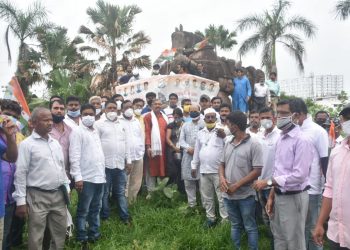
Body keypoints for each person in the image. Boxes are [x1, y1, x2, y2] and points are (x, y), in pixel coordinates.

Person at [260, 99, 314, 250]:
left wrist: (268, 183)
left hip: (294, 197)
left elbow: (300, 175)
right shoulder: (281, 138)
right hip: (279, 196)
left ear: (295, 116)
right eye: (278, 113)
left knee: (294, 241)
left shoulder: (302, 140)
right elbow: (278, 171)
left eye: (284, 113)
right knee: (279, 238)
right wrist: (271, 196)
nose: (279, 117)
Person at [13, 107, 68, 250]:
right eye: (45, 120)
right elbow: (20, 173)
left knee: (59, 233)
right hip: (37, 196)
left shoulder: (54, 143)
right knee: (36, 235)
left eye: (50, 119)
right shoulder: (27, 144)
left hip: (58, 195)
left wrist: (66, 187)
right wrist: (20, 201)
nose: (50, 122)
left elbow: (61, 168)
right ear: (34, 123)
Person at [287, 99, 329, 250]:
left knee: (313, 227)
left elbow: (325, 161)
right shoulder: (294, 130)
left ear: (297, 114)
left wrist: (327, 188)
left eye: (288, 114)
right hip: (294, 188)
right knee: (300, 227)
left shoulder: (318, 131)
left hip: (312, 189)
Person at [219, 111, 263, 250]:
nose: (227, 126)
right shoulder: (227, 142)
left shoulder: (254, 143)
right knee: (235, 224)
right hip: (228, 194)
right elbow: (221, 164)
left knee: (250, 226)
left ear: (235, 126)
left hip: (245, 195)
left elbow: (257, 170)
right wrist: (221, 178)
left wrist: (237, 185)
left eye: (228, 123)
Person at [313, 103, 350, 250]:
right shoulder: (336, 151)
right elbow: (329, 190)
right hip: (336, 233)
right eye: (346, 118)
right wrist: (320, 223)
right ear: (341, 121)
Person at [69, 104, 105, 245]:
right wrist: (78, 177)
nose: (89, 116)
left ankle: (94, 234)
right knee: (83, 209)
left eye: (91, 114)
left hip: (99, 176)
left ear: (95, 115)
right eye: (85, 114)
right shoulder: (77, 132)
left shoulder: (95, 130)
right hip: (86, 177)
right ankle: (82, 237)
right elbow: (74, 156)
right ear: (80, 116)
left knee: (96, 207)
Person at [95, 101, 131, 223]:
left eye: (114, 108)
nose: (112, 110)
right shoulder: (98, 124)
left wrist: (129, 160)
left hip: (120, 164)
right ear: (104, 110)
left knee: (121, 192)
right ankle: (105, 217)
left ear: (118, 110)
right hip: (105, 165)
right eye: (109, 108)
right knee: (104, 193)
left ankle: (125, 217)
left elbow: (127, 143)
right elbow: (96, 144)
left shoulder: (122, 124)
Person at [191, 108, 228, 228]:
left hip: (219, 171)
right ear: (205, 119)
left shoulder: (223, 131)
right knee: (207, 197)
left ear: (216, 118)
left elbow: (229, 147)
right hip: (204, 170)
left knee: (222, 197)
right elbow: (197, 151)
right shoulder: (200, 133)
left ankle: (225, 220)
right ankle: (210, 218)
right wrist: (194, 166)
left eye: (212, 117)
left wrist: (224, 137)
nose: (210, 119)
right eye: (208, 117)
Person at [253, 107, 280, 250]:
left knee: (276, 220)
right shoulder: (258, 136)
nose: (265, 120)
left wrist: (271, 184)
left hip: (274, 185)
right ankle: (273, 243)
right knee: (267, 219)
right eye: (262, 118)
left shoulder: (280, 136)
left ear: (274, 118)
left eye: (267, 117)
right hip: (260, 185)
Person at [179, 104, 204, 210]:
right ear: (189, 113)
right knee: (189, 183)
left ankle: (205, 205)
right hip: (188, 156)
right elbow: (181, 141)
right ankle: (192, 205)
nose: (194, 112)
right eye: (191, 111)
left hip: (201, 157)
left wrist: (199, 150)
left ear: (199, 110)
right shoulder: (185, 125)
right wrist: (187, 148)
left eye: (196, 110)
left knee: (203, 183)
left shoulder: (204, 124)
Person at [120, 101, 145, 203]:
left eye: (130, 107)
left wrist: (142, 151)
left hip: (138, 155)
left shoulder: (136, 121)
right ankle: (123, 202)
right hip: (125, 157)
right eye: (126, 107)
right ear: (122, 110)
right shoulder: (119, 121)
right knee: (125, 181)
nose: (129, 109)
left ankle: (132, 201)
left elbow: (141, 136)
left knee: (136, 180)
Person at [144, 99, 169, 194]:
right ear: (151, 106)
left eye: (159, 104)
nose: (158, 106)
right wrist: (148, 146)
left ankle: (160, 191)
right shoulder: (148, 117)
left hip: (164, 148)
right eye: (155, 104)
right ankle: (150, 192)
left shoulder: (164, 116)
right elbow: (147, 132)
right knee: (151, 169)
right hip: (153, 148)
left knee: (162, 168)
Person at [166, 108, 185, 192]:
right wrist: (174, 147)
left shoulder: (185, 125)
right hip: (172, 150)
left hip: (183, 150)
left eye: (178, 116)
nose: (176, 118)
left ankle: (182, 190)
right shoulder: (170, 125)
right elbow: (167, 138)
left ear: (181, 116)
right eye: (175, 117)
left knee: (182, 170)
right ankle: (171, 190)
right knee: (173, 171)